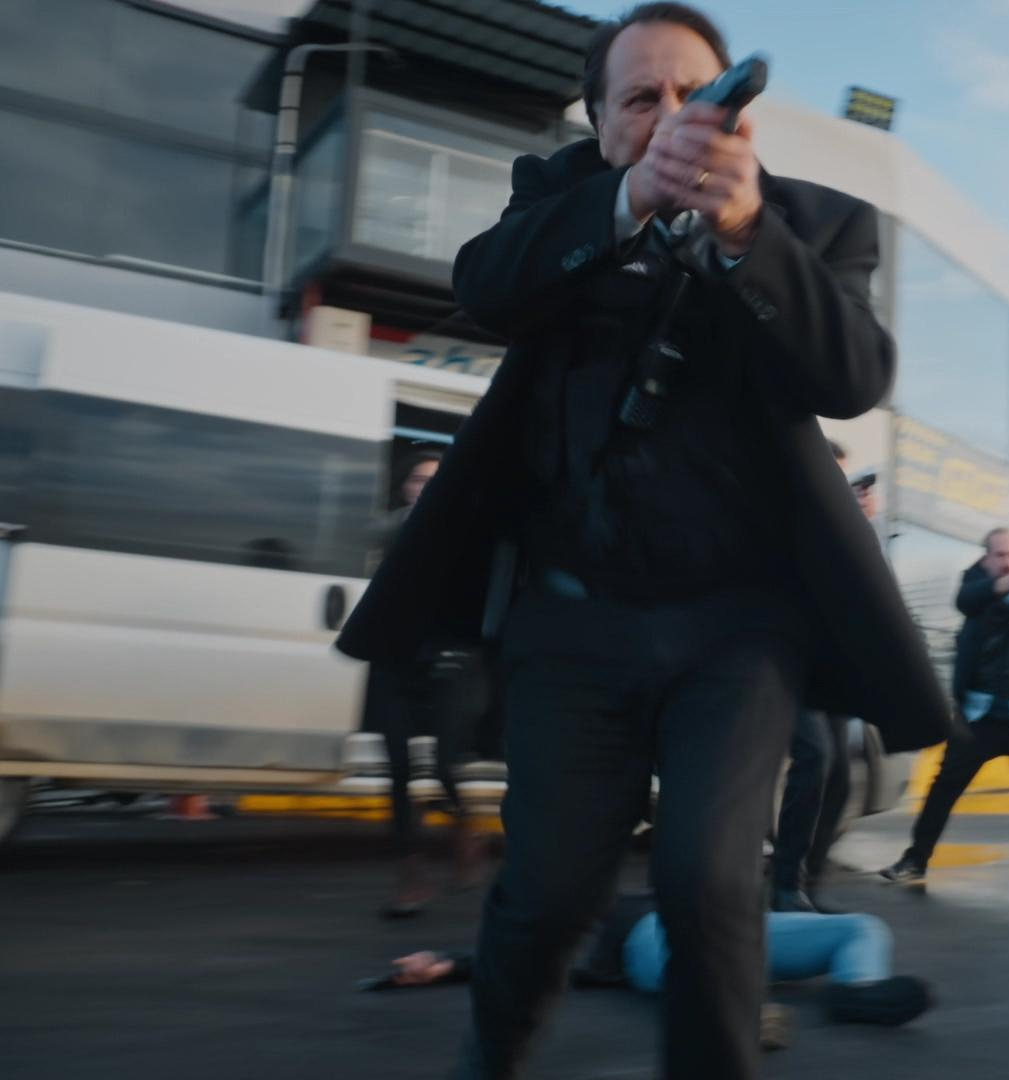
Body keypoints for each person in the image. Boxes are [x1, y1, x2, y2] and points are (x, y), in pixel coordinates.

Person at [332, 5, 951, 1077]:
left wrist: (746, 232)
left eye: (698, 96)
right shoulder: (558, 196)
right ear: (601, 121)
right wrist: (627, 203)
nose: (673, 118)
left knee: (710, 882)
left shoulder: (820, 223)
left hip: (739, 632)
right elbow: (484, 286)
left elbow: (855, 376)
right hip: (573, 623)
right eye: (642, 99)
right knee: (547, 892)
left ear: (743, 118)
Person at [368, 892, 933, 1035]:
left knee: (863, 926)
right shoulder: (579, 907)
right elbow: (526, 951)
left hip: (730, 921)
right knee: (692, 954)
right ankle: (734, 1008)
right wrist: (448, 962)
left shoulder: (676, 863)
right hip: (650, 941)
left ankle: (858, 989)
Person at [882, 528, 1009, 894]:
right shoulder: (975, 580)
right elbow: (964, 601)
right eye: (1000, 555)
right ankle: (916, 859)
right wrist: (1000, 587)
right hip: (981, 713)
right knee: (945, 785)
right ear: (986, 558)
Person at [361, 449, 487, 918]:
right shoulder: (390, 529)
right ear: (404, 487)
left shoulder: (469, 534)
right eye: (418, 480)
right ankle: (410, 876)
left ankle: (465, 832)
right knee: (397, 770)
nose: (425, 488)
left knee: (444, 765)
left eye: (436, 481)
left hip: (451, 664)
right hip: (395, 662)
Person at [769, 440, 864, 914]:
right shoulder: (785, 511)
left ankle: (808, 881)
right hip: (782, 660)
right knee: (815, 756)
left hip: (827, 666)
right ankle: (785, 884)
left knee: (840, 777)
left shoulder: (843, 525)